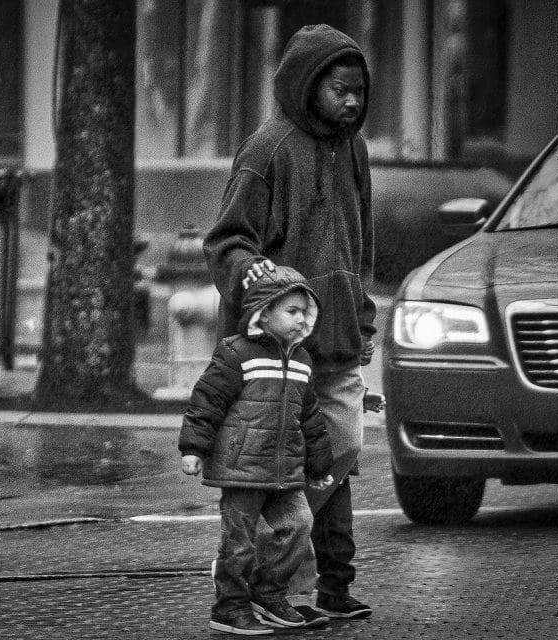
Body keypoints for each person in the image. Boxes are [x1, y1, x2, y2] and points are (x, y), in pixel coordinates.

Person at [202, 24, 376, 621]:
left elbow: (361, 245)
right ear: (308, 87)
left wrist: (365, 320)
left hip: (342, 345)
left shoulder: (355, 149)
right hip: (282, 348)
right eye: (341, 91)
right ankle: (278, 594)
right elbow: (225, 241)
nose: (353, 102)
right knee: (293, 478)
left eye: (359, 92)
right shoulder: (267, 149)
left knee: (338, 458)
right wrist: (251, 273)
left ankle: (324, 587)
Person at [178, 266, 336, 636]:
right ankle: (229, 607)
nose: (300, 319)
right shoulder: (237, 353)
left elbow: (310, 417)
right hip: (242, 468)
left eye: (304, 312)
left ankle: (268, 592)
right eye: (291, 311)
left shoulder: (302, 362)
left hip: (285, 471)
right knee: (239, 543)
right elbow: (207, 401)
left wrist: (319, 463)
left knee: (299, 526)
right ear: (264, 312)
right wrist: (194, 447)